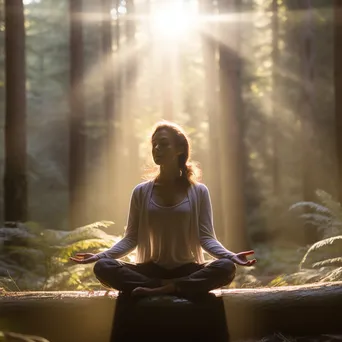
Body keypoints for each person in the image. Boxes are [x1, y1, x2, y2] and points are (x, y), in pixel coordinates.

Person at [70, 121, 256, 297]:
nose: (157, 149)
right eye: (154, 144)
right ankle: (165, 288)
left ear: (180, 149)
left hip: (187, 269)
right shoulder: (141, 192)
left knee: (225, 267)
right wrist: (99, 256)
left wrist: (231, 256)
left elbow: (206, 238)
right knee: (103, 267)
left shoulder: (199, 191)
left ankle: (166, 287)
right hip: (150, 271)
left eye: (164, 144)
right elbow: (131, 239)